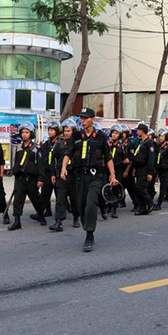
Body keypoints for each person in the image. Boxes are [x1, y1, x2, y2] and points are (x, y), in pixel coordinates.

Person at [60, 107, 119, 252]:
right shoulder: (77, 136)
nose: (83, 121)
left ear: (92, 120)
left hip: (95, 176)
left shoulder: (100, 137)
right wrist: (63, 168)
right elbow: (68, 154)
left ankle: (89, 235)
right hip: (80, 177)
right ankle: (87, 226)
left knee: (91, 205)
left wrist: (112, 175)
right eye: (81, 118)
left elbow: (108, 157)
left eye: (86, 118)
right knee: (80, 207)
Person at [8, 122, 46, 231]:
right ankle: (17, 221)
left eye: (27, 132)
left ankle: (41, 215)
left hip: (31, 180)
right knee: (18, 200)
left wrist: (40, 179)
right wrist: (14, 171)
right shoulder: (18, 147)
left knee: (35, 199)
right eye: (23, 132)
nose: (24, 134)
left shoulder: (36, 149)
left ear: (31, 134)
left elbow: (40, 165)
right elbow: (15, 162)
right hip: (20, 179)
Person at [49, 118, 80, 231]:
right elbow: (53, 160)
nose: (66, 133)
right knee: (60, 199)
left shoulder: (78, 144)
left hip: (74, 175)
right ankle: (59, 221)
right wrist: (53, 174)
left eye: (69, 131)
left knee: (75, 199)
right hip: (61, 176)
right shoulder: (59, 143)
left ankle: (76, 217)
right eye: (65, 131)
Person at [131, 123, 156, 215]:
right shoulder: (142, 142)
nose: (137, 132)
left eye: (138, 130)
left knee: (140, 188)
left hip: (145, 168)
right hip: (139, 168)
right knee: (138, 189)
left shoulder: (149, 143)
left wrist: (150, 172)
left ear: (142, 131)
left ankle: (150, 202)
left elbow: (151, 158)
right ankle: (142, 207)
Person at [38, 121, 60, 218]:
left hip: (57, 172)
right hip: (47, 172)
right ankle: (44, 211)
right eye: (49, 130)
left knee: (59, 195)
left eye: (52, 130)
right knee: (45, 193)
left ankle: (60, 214)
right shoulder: (46, 144)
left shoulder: (60, 143)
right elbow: (43, 158)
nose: (50, 132)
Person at [107, 124, 128, 218]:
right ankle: (107, 206)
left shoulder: (122, 147)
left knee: (116, 189)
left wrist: (126, 161)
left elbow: (127, 158)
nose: (114, 135)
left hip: (118, 170)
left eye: (116, 133)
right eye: (113, 133)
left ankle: (114, 208)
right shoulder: (108, 145)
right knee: (107, 188)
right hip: (108, 170)